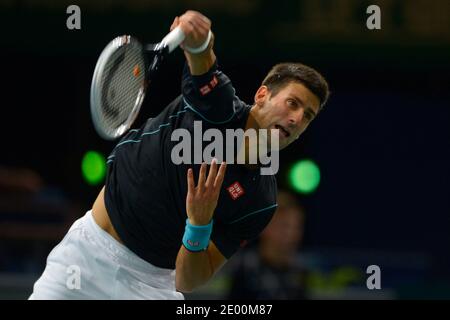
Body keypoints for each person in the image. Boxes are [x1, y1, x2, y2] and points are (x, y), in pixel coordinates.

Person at [29, 10, 329, 299]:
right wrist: (198, 39)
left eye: (308, 116)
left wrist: (199, 223)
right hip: (83, 259)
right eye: (292, 103)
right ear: (262, 95)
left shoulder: (260, 200)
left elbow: (189, 279)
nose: (296, 119)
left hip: (151, 287)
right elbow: (202, 61)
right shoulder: (217, 107)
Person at [227, 190, 307, 299]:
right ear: (265, 226)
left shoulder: (299, 274)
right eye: (284, 226)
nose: (292, 235)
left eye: (297, 227)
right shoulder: (242, 268)